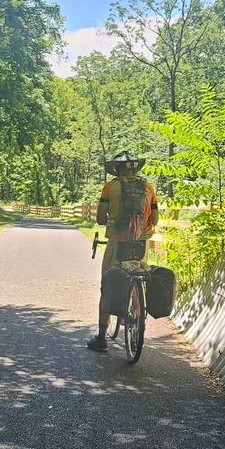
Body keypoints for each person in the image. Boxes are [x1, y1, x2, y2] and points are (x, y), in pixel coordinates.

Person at [86, 150, 159, 352]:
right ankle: (135, 318)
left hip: (117, 244)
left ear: (117, 169)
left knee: (107, 285)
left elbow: (101, 219)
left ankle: (101, 338)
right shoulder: (148, 187)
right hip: (141, 244)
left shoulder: (110, 187)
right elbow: (154, 220)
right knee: (137, 276)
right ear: (136, 168)